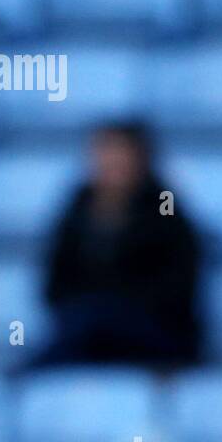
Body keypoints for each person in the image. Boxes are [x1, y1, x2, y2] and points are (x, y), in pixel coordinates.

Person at [33, 121, 201, 369]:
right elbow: (54, 284)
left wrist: (114, 303)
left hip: (154, 335)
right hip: (86, 332)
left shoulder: (167, 211)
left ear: (142, 159)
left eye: (121, 155)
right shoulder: (76, 209)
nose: (113, 164)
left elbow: (177, 289)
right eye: (105, 154)